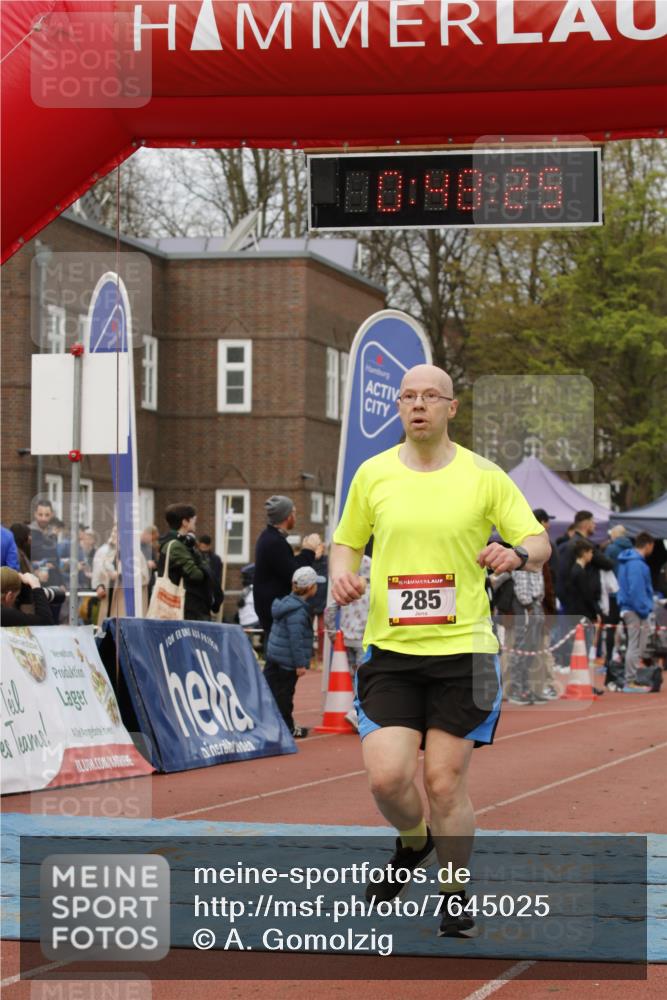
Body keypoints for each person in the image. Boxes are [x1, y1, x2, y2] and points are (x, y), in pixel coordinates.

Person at [330, 364, 550, 939]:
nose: (419, 404)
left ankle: (453, 892)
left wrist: (515, 555)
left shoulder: (484, 476)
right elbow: (346, 542)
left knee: (446, 782)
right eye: (409, 396)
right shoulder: (372, 475)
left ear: (452, 408)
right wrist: (342, 575)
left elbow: (538, 540)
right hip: (393, 651)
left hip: (465, 651)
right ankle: (414, 842)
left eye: (431, 396)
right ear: (399, 408)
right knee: (386, 779)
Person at [265, 565, 324, 738]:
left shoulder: (286, 603)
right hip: (287, 663)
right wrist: (300, 664)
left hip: (274, 656)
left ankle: (272, 724)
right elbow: (296, 639)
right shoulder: (298, 612)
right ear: (310, 587)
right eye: (316, 584)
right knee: (284, 696)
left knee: (271, 691)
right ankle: (288, 727)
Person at [253, 495, 321, 646]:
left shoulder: (269, 538)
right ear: (287, 516)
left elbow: (287, 565)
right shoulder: (274, 542)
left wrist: (304, 552)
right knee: (280, 665)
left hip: (271, 609)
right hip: (275, 613)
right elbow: (296, 575)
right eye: (294, 513)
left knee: (275, 664)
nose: (295, 517)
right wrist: (309, 550)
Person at [158, 503, 216, 621]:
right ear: (185, 522)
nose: (195, 522)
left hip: (186, 605)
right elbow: (196, 575)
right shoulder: (177, 546)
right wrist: (201, 564)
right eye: (193, 519)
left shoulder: (180, 543)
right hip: (185, 607)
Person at [617, 532, 655, 688]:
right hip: (635, 610)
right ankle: (630, 680)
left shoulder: (627, 561)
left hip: (629, 607)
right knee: (636, 645)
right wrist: (644, 610)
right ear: (648, 545)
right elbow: (637, 590)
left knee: (634, 644)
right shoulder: (637, 564)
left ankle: (630, 679)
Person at [197, 533, 224, 618]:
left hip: (210, 591)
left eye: (205, 548)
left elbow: (217, 578)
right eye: (201, 548)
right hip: (198, 592)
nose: (203, 550)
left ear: (209, 546)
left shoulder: (216, 559)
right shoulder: (196, 556)